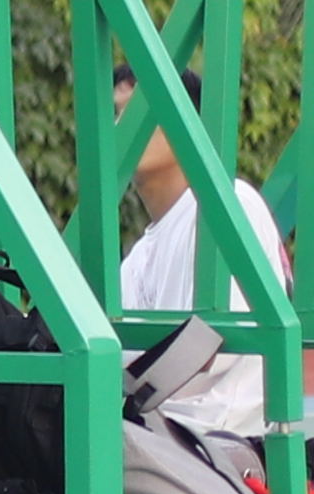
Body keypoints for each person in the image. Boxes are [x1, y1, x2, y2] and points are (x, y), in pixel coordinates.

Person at [115, 130, 292, 435]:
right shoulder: (139, 257)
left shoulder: (231, 203)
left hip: (220, 436)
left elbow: (205, 350)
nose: (122, 124)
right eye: (113, 113)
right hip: (158, 432)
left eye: (134, 111)